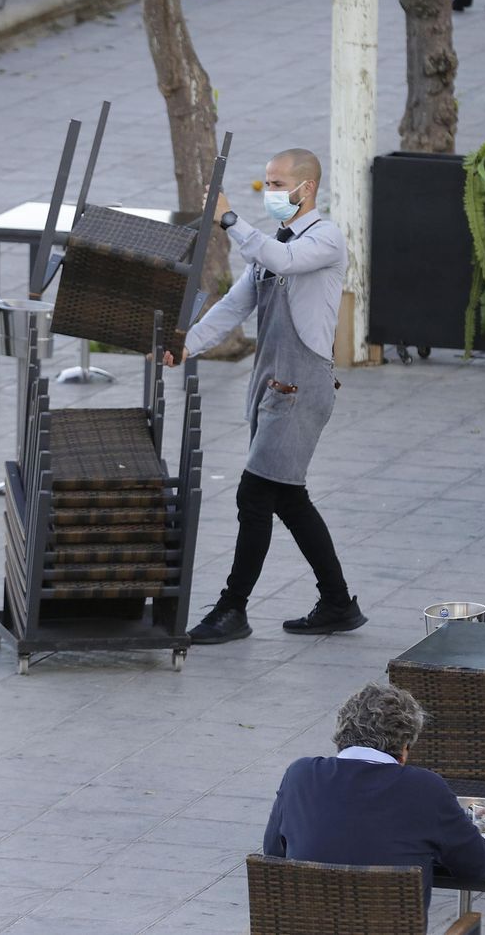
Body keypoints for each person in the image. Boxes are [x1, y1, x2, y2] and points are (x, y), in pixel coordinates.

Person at [164, 148, 364, 644]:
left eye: (278, 183)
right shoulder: (273, 243)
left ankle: (233, 608)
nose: (270, 191)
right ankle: (338, 602)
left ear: (307, 188)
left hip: (300, 388)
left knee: (254, 495)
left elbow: (283, 261)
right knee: (289, 498)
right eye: (267, 182)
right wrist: (185, 345)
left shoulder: (324, 239)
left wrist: (229, 219)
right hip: (272, 388)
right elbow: (233, 307)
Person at [263, 682, 485, 909]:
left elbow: (273, 853)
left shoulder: (299, 775)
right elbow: (478, 867)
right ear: (405, 746)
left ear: (341, 734)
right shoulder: (426, 788)